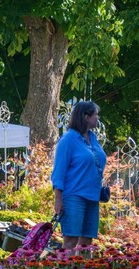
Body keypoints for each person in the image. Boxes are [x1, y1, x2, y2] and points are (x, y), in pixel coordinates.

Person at [51, 101, 107, 249]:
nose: (98, 118)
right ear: (86, 117)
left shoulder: (93, 138)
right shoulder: (68, 140)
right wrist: (58, 199)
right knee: (71, 240)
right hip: (74, 196)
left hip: (93, 196)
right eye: (95, 114)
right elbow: (58, 172)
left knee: (87, 242)